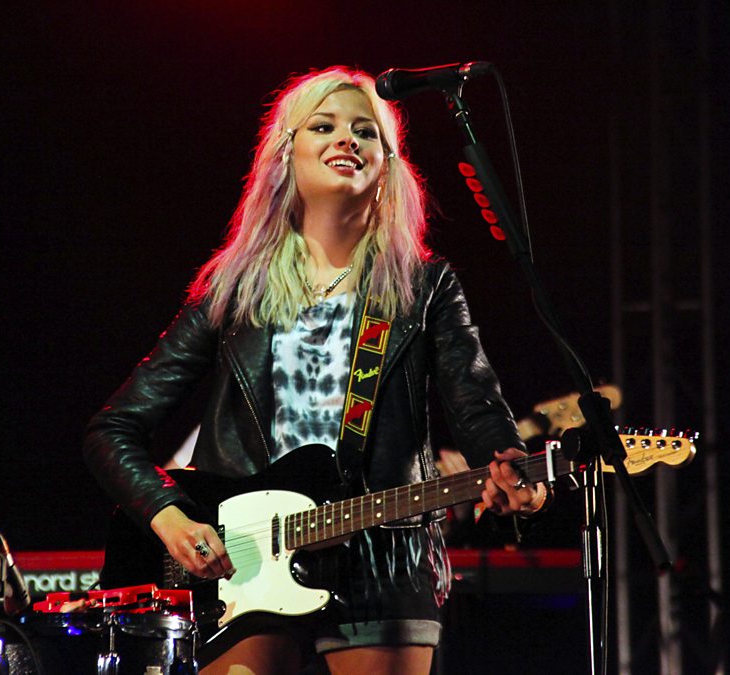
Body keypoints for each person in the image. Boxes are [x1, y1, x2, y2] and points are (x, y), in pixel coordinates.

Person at [84, 66, 549, 675]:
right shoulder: (234, 292)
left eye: (366, 131)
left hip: (383, 559)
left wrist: (511, 466)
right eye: (323, 126)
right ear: (286, 154)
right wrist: (169, 517)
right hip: (247, 562)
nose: (347, 139)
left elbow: (476, 404)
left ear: (388, 165)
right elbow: (113, 428)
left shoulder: (423, 286)